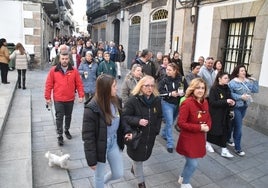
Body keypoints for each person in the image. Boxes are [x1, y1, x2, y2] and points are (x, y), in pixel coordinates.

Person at [82, 74, 125, 188]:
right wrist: (91, 159)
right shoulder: (91, 109)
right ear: (106, 89)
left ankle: (101, 184)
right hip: (100, 145)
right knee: (99, 176)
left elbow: (122, 121)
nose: (117, 88)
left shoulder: (117, 100)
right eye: (114, 86)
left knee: (118, 173)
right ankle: (99, 184)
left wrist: (127, 132)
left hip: (113, 142)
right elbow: (88, 136)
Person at [123, 75, 162, 188]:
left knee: (143, 156)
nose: (150, 88)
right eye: (147, 86)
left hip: (150, 135)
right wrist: (138, 121)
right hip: (137, 136)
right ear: (141, 86)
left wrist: (156, 129)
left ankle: (134, 168)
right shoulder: (133, 100)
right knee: (137, 158)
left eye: (152, 86)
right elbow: (124, 117)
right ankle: (141, 183)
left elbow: (159, 116)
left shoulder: (156, 100)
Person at [176, 78, 211, 188]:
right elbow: (181, 123)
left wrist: (208, 126)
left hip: (199, 138)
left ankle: (182, 177)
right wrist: (199, 127)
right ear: (192, 89)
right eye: (198, 88)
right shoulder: (187, 103)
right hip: (188, 138)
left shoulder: (205, 101)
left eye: (202, 88)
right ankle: (185, 183)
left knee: (190, 162)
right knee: (193, 163)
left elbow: (208, 117)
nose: (200, 90)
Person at [44, 50, 84, 146]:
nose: (64, 61)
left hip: (70, 98)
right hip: (58, 99)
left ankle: (66, 129)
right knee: (59, 117)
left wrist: (81, 95)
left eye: (66, 59)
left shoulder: (74, 70)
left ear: (69, 59)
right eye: (63, 59)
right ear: (59, 59)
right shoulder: (54, 70)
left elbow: (79, 84)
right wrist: (47, 97)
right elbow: (48, 84)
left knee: (68, 116)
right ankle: (60, 135)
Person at [228, 65, 259, 156]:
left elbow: (255, 90)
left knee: (234, 124)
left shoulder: (248, 82)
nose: (244, 72)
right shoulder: (233, 82)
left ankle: (227, 138)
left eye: (244, 71)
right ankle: (238, 148)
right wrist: (240, 97)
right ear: (237, 72)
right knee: (239, 126)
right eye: (242, 71)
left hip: (244, 107)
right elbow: (229, 94)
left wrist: (255, 81)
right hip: (236, 107)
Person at [158, 63, 186, 153]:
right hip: (167, 103)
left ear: (175, 70)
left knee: (172, 121)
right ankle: (170, 143)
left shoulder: (181, 79)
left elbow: (187, 89)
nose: (167, 71)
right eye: (167, 69)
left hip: (178, 104)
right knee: (169, 122)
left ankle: (164, 133)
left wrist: (183, 93)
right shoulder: (164, 79)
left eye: (170, 70)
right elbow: (159, 91)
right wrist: (170, 93)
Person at [207, 72, 236, 158]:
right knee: (213, 130)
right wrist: (226, 101)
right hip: (216, 114)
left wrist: (233, 102)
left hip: (225, 114)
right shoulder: (214, 89)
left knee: (225, 131)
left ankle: (224, 149)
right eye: (225, 78)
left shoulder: (227, 88)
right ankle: (207, 142)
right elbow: (212, 103)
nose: (227, 80)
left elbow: (230, 98)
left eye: (228, 78)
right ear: (219, 78)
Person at [198, 56, 216, 152]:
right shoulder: (202, 71)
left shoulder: (213, 71)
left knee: (208, 117)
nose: (210, 64)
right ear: (205, 62)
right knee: (203, 117)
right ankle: (204, 140)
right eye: (208, 63)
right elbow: (198, 83)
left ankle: (206, 139)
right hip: (204, 97)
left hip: (211, 97)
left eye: (211, 63)